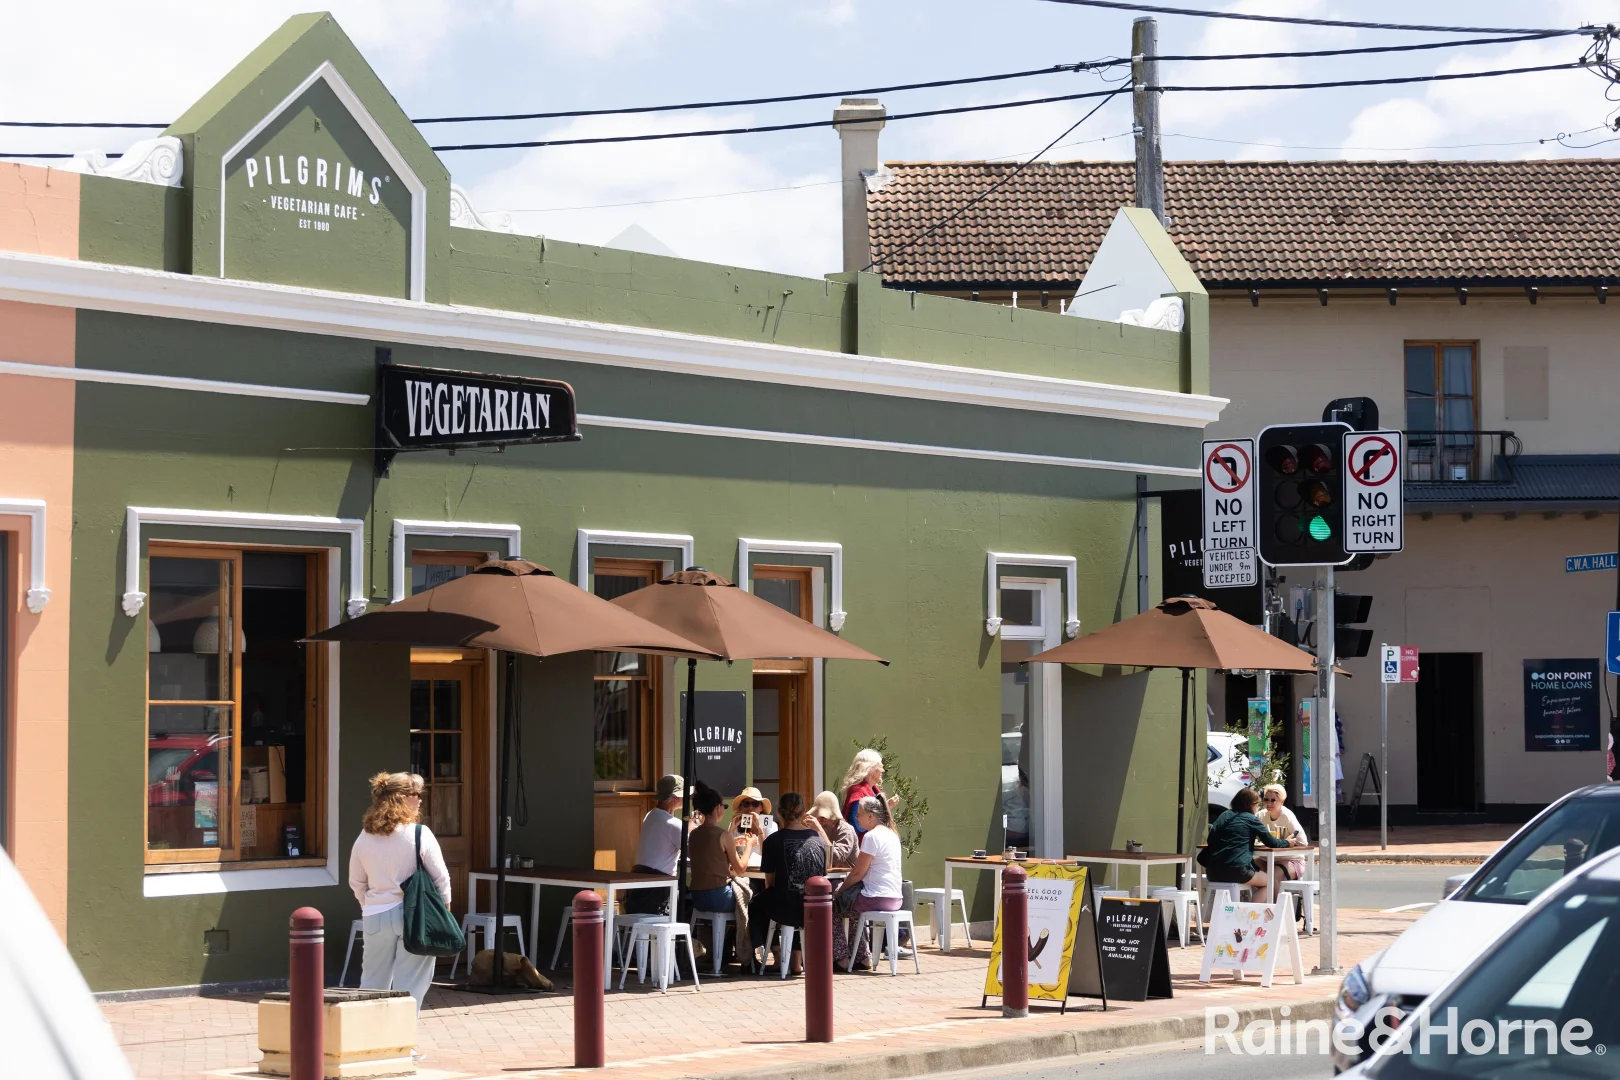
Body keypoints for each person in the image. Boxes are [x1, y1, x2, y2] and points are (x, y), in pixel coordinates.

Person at [348, 771, 449, 1015]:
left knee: (372, 983)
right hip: (414, 916)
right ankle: (403, 1044)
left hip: (375, 915)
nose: (420, 800)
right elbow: (441, 878)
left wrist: (370, 905)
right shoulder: (419, 833)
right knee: (411, 984)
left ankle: (366, 1042)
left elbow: (356, 882)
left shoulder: (365, 835)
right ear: (402, 798)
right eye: (416, 794)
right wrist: (444, 910)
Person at [750, 792, 828, 974]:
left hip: (786, 907)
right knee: (793, 900)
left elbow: (769, 881)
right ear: (803, 812)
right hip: (814, 908)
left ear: (779, 813)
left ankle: (775, 953)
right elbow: (821, 875)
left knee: (757, 905)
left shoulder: (773, 841)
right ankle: (796, 961)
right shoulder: (817, 839)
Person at [832, 795, 904, 968]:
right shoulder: (892, 835)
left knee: (832, 905)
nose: (856, 818)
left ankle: (841, 957)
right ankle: (863, 957)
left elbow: (857, 874)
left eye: (859, 814)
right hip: (895, 898)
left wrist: (839, 891)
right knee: (851, 908)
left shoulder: (871, 837)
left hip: (876, 897)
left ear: (871, 816)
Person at [687, 784, 755, 966]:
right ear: (717, 807)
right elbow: (740, 869)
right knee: (751, 900)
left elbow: (708, 860)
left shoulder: (693, 834)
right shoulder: (723, 835)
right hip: (718, 897)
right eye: (724, 807)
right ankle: (748, 955)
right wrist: (749, 846)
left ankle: (722, 953)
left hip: (697, 897)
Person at [1199, 788, 1294, 902]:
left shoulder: (1224, 815)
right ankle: (1252, 917)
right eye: (1257, 805)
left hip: (1212, 872)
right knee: (1270, 883)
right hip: (1237, 871)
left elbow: (1211, 839)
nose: (1257, 808)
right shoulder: (1251, 819)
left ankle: (1242, 913)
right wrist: (1287, 842)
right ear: (1251, 805)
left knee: (1257, 878)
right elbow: (1272, 842)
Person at [622, 774, 686, 915]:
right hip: (659, 892)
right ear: (674, 798)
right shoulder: (674, 824)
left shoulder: (650, 816)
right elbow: (693, 850)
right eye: (683, 795)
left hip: (640, 889)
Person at [1256, 783, 1309, 886]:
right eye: (1266, 799)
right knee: (1248, 870)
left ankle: (1275, 902)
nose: (1269, 803)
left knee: (1270, 878)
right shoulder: (1260, 815)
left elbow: (1303, 842)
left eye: (1273, 800)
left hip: (1291, 860)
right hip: (1266, 859)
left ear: (1282, 801)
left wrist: (1287, 843)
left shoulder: (1287, 816)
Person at [839, 749, 898, 836]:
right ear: (870, 768)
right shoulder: (858, 792)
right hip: (861, 847)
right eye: (880, 766)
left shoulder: (872, 789)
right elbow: (861, 825)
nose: (883, 770)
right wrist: (887, 806)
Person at [810, 790, 859, 868]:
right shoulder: (818, 829)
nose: (819, 820)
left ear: (833, 815)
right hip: (827, 876)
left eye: (823, 816)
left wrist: (820, 831)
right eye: (817, 815)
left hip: (845, 878)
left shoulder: (846, 830)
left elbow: (836, 859)